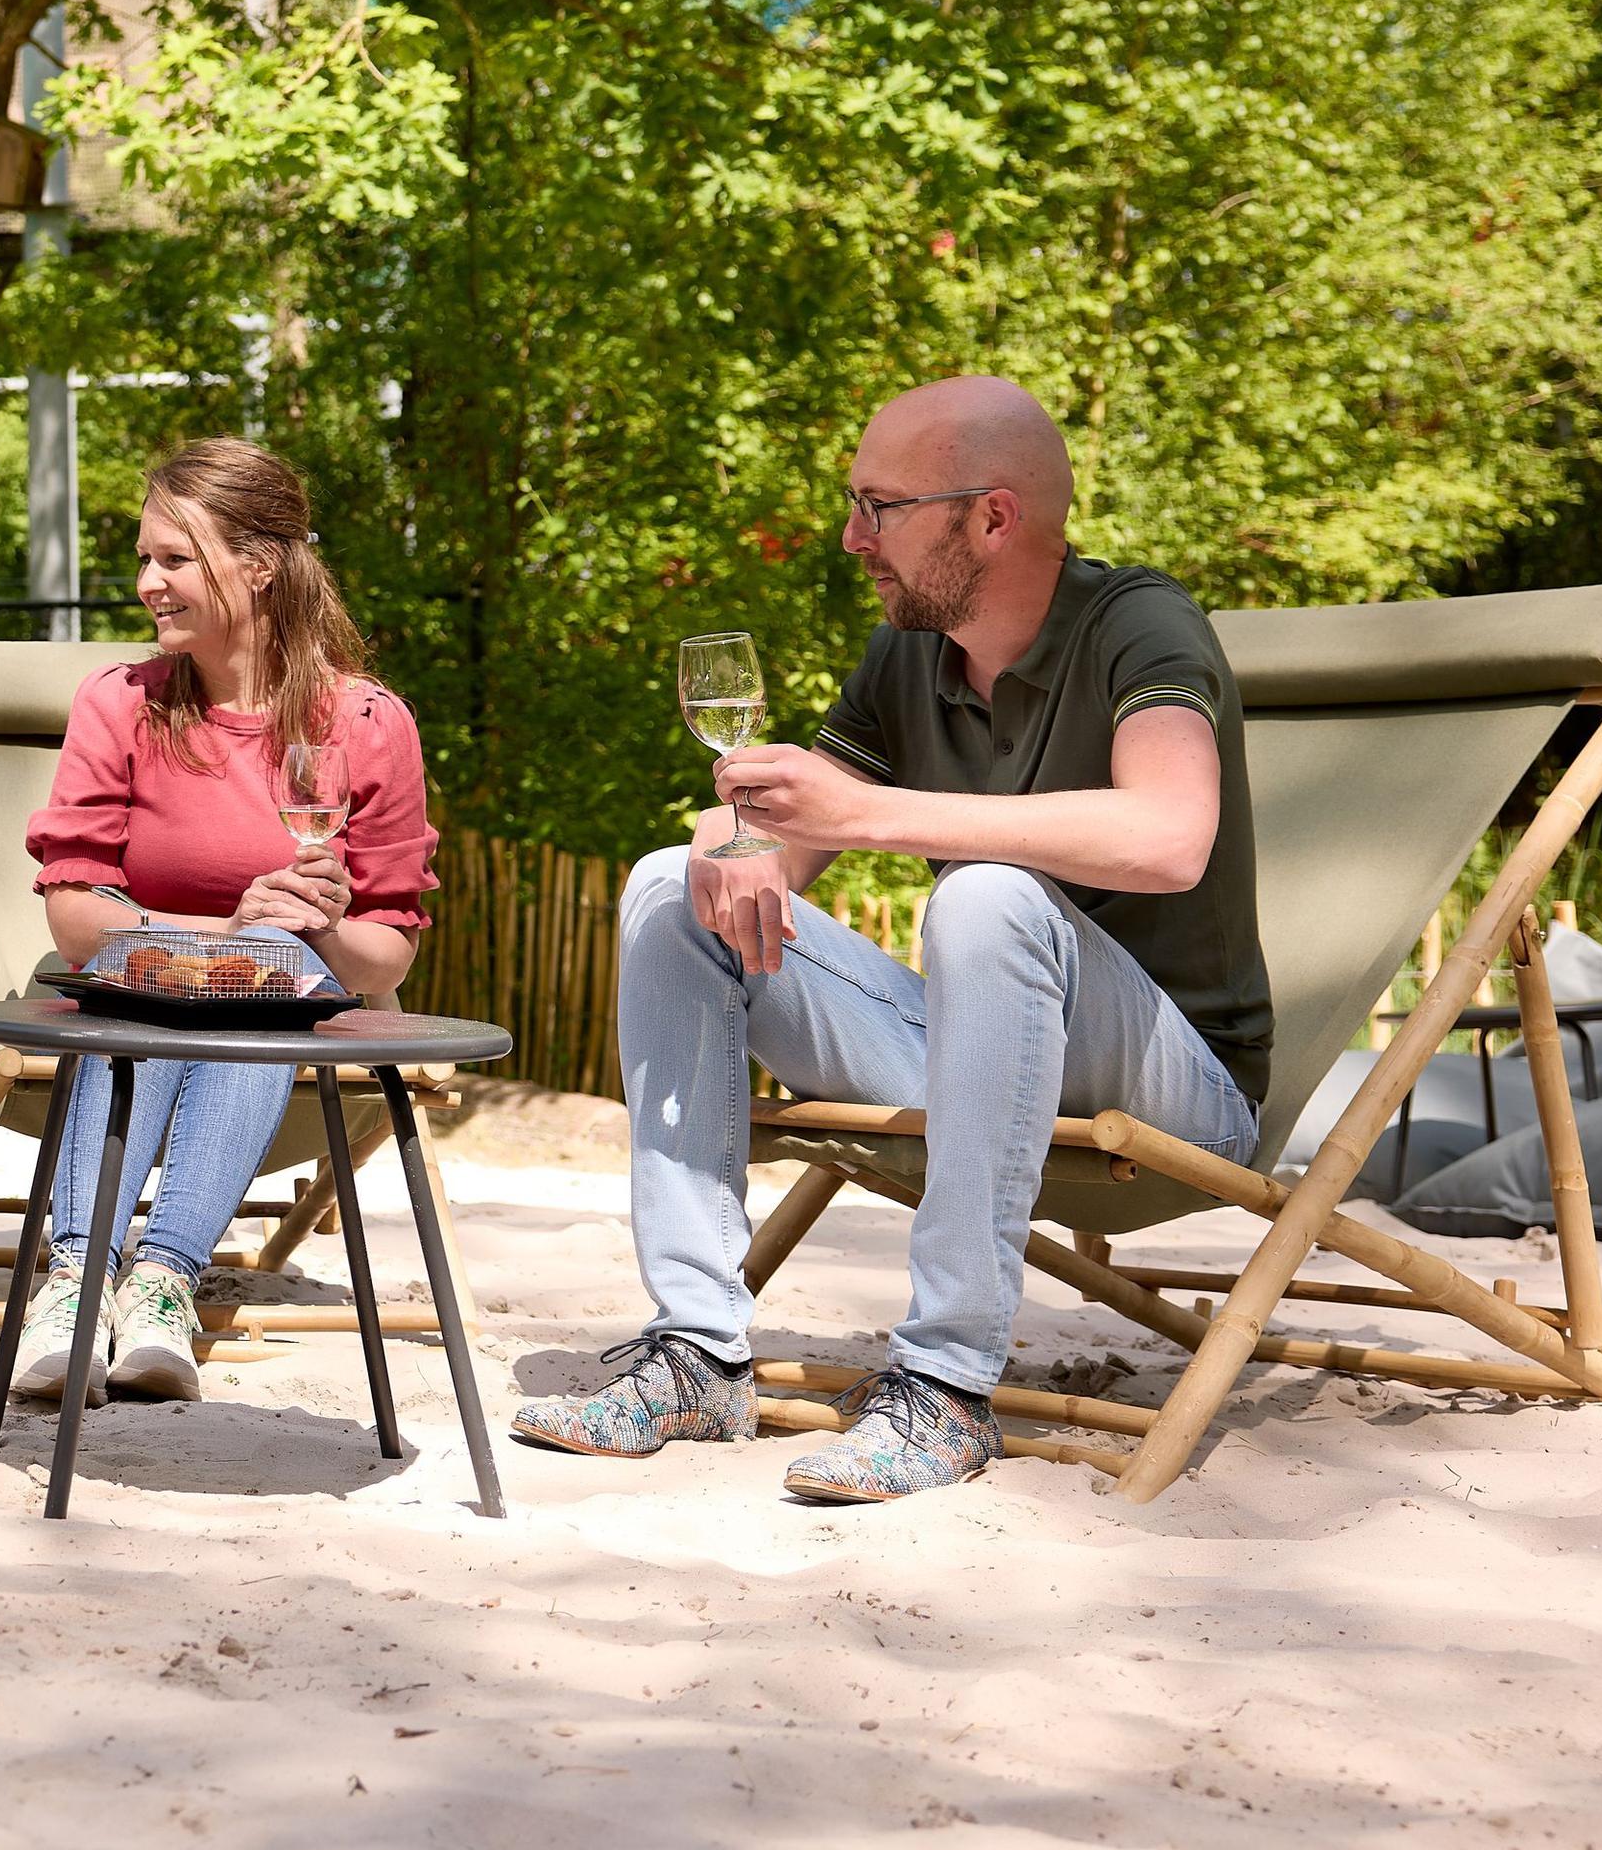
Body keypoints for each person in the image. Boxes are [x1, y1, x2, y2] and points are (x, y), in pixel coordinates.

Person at [516, 376, 1270, 1501]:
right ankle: (697, 1353)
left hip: (1173, 1084)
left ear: (991, 517)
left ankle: (948, 1386)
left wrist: (866, 812)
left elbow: (1169, 836)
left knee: (985, 896)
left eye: (880, 506)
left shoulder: (1141, 626)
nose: (850, 536)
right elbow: (775, 853)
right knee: (671, 887)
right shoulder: (905, 657)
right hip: (984, 1057)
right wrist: (728, 839)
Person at [10, 439, 436, 1405]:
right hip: (122, 990)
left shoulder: (366, 725)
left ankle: (160, 1280)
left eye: (174, 559)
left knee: (271, 953)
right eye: (144, 556)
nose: (145, 582)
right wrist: (214, 933)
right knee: (165, 970)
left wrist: (312, 926)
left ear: (261, 563)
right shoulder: (121, 704)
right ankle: (78, 1279)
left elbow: (381, 957)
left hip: (278, 1009)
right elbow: (78, 919)